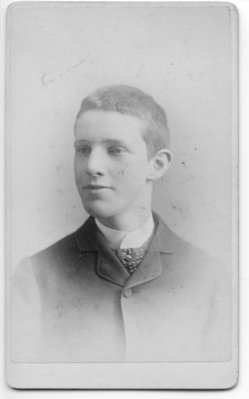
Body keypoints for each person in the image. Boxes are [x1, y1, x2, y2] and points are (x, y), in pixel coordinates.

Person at [11, 85, 231, 362]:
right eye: (83, 149)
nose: (92, 166)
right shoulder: (36, 275)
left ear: (158, 164)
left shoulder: (208, 276)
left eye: (115, 150)